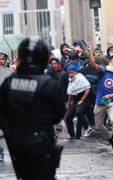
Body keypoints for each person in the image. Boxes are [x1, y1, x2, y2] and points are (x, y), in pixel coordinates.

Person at [0, 37, 65, 179]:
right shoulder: (49, 84)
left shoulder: (9, 81)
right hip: (41, 141)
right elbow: (59, 114)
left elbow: (2, 112)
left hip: (16, 141)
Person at [85, 41, 113, 155]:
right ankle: (110, 138)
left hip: (112, 102)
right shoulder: (104, 71)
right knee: (98, 126)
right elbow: (93, 64)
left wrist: (111, 95)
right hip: (100, 102)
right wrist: (90, 52)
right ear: (110, 62)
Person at [65, 64, 91, 139]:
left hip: (84, 98)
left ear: (76, 72)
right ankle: (71, 134)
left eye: (72, 72)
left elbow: (87, 88)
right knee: (68, 116)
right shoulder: (71, 80)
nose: (70, 74)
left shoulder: (80, 78)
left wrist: (82, 99)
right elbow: (70, 92)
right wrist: (68, 103)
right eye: (69, 73)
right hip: (75, 99)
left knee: (79, 112)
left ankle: (86, 127)